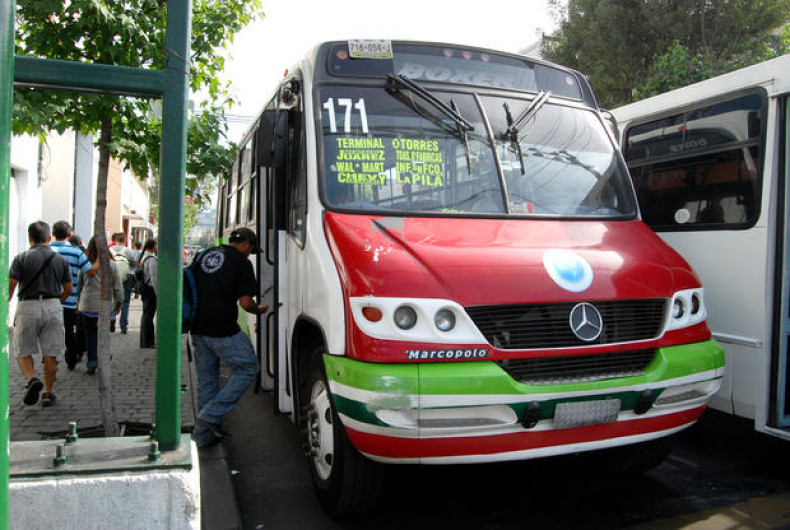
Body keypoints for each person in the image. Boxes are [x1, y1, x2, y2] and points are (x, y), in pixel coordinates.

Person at [191, 227, 267, 448]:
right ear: (245, 244)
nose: (249, 254)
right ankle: (211, 414)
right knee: (249, 367)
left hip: (197, 327)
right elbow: (245, 302)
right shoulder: (241, 262)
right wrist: (258, 310)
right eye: (251, 250)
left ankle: (203, 437)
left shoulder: (205, 255)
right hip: (222, 328)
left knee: (206, 381)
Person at [8, 221, 72, 407]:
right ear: (49, 238)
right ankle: (48, 393)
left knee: (22, 349)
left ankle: (31, 379)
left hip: (28, 305)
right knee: (51, 353)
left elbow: (11, 285)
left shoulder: (21, 258)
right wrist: (56, 301)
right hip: (52, 304)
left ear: (29, 238)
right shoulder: (60, 260)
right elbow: (68, 288)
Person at [51, 220, 96, 370]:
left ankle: (49, 359)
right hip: (69, 300)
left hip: (49, 299)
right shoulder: (76, 252)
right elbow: (90, 271)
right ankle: (71, 358)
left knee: (49, 331)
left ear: (53, 234)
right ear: (70, 235)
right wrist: (101, 261)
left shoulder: (47, 250)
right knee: (69, 330)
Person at [77, 236, 123, 375]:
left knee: (90, 335)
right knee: (103, 334)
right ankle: (103, 357)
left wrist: (78, 301)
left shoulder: (86, 264)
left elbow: (80, 285)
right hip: (104, 305)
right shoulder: (112, 265)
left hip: (87, 305)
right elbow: (117, 286)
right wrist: (119, 303)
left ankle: (92, 362)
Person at [109, 232, 137, 334]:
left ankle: (111, 317)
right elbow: (135, 265)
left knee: (111, 298)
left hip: (111, 277)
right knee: (125, 302)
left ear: (115, 240)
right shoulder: (129, 251)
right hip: (126, 278)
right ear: (125, 240)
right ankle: (123, 326)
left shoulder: (109, 250)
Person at [138, 238, 158, 349]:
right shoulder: (152, 259)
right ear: (153, 246)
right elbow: (154, 277)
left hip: (145, 289)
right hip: (150, 290)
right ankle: (148, 342)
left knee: (146, 315)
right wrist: (157, 293)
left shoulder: (143, 257)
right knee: (149, 316)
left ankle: (144, 341)